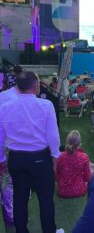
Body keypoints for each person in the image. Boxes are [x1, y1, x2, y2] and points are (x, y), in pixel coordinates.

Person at [0, 71, 63, 233]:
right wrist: (55, 155)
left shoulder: (4, 107)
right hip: (40, 159)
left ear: (17, 87)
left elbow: (0, 137)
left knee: (19, 199)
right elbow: (53, 135)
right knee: (46, 200)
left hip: (16, 159)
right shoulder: (46, 105)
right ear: (36, 86)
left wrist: (1, 159)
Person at [56, 131, 91, 198]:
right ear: (79, 143)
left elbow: (57, 175)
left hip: (62, 191)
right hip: (79, 190)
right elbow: (87, 178)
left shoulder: (60, 157)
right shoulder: (84, 157)